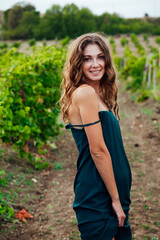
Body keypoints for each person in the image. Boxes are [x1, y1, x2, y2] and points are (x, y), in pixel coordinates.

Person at [60, 33, 132, 240]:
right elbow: (98, 151)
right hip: (99, 197)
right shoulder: (84, 93)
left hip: (111, 194)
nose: (95, 64)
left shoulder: (97, 95)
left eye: (100, 57)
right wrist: (115, 200)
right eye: (87, 59)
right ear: (77, 64)